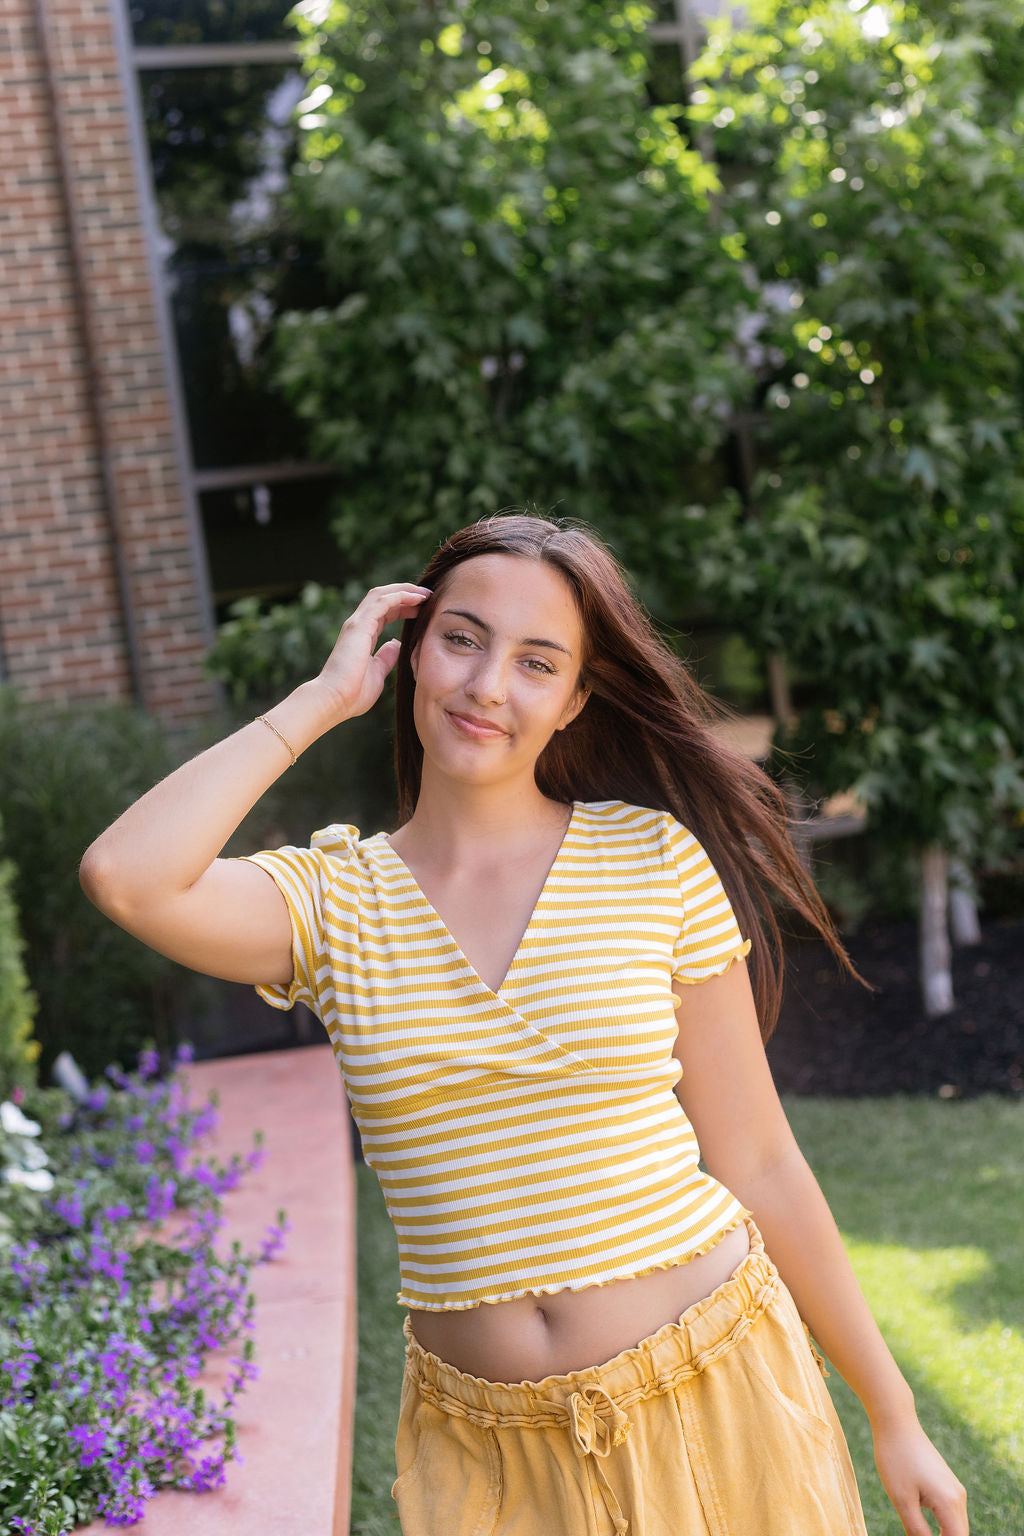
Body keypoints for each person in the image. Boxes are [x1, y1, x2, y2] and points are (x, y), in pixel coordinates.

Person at [80, 512, 969, 1536]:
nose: (488, 686)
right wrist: (321, 702)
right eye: (462, 640)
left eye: (537, 662)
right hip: (488, 1458)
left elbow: (760, 1159)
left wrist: (892, 1411)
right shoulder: (331, 904)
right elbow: (126, 877)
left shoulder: (652, 858)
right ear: (414, 653)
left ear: (575, 699)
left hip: (716, 1385)